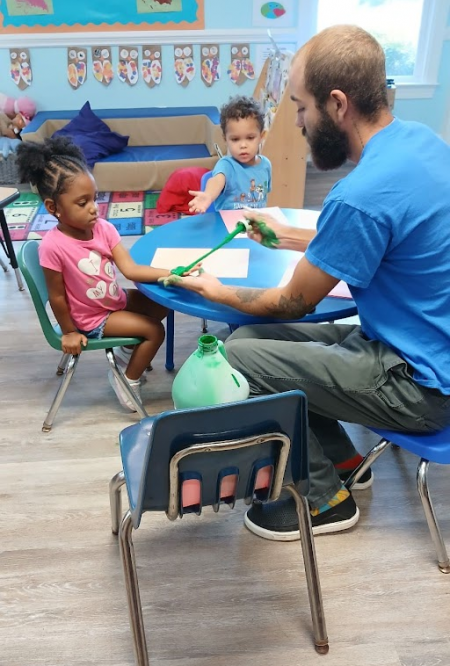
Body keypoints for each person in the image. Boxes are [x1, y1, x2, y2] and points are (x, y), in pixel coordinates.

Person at [160, 25, 450, 541]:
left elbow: (291, 300)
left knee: (236, 354)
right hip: (414, 346)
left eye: (301, 107)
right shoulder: (422, 144)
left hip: (421, 384)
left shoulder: (359, 193)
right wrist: (289, 237)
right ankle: (339, 462)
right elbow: (373, 237)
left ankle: (322, 502)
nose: (298, 122)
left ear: (337, 104)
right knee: (250, 341)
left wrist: (213, 288)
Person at [16, 136, 174, 413]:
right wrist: (68, 333)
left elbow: (130, 269)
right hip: (91, 318)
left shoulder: (103, 228)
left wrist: (172, 273)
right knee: (154, 331)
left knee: (164, 304)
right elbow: (56, 297)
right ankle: (127, 379)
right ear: (53, 208)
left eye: (95, 198)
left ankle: (125, 354)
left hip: (113, 300)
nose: (94, 207)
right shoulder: (53, 246)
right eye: (82, 202)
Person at [188, 95, 271, 213]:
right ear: (225, 139)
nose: (243, 145)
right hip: (227, 227)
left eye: (250, 138)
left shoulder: (266, 165)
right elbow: (216, 181)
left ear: (261, 137)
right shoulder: (226, 165)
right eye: (235, 139)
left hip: (254, 226)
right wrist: (209, 195)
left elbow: (264, 197)